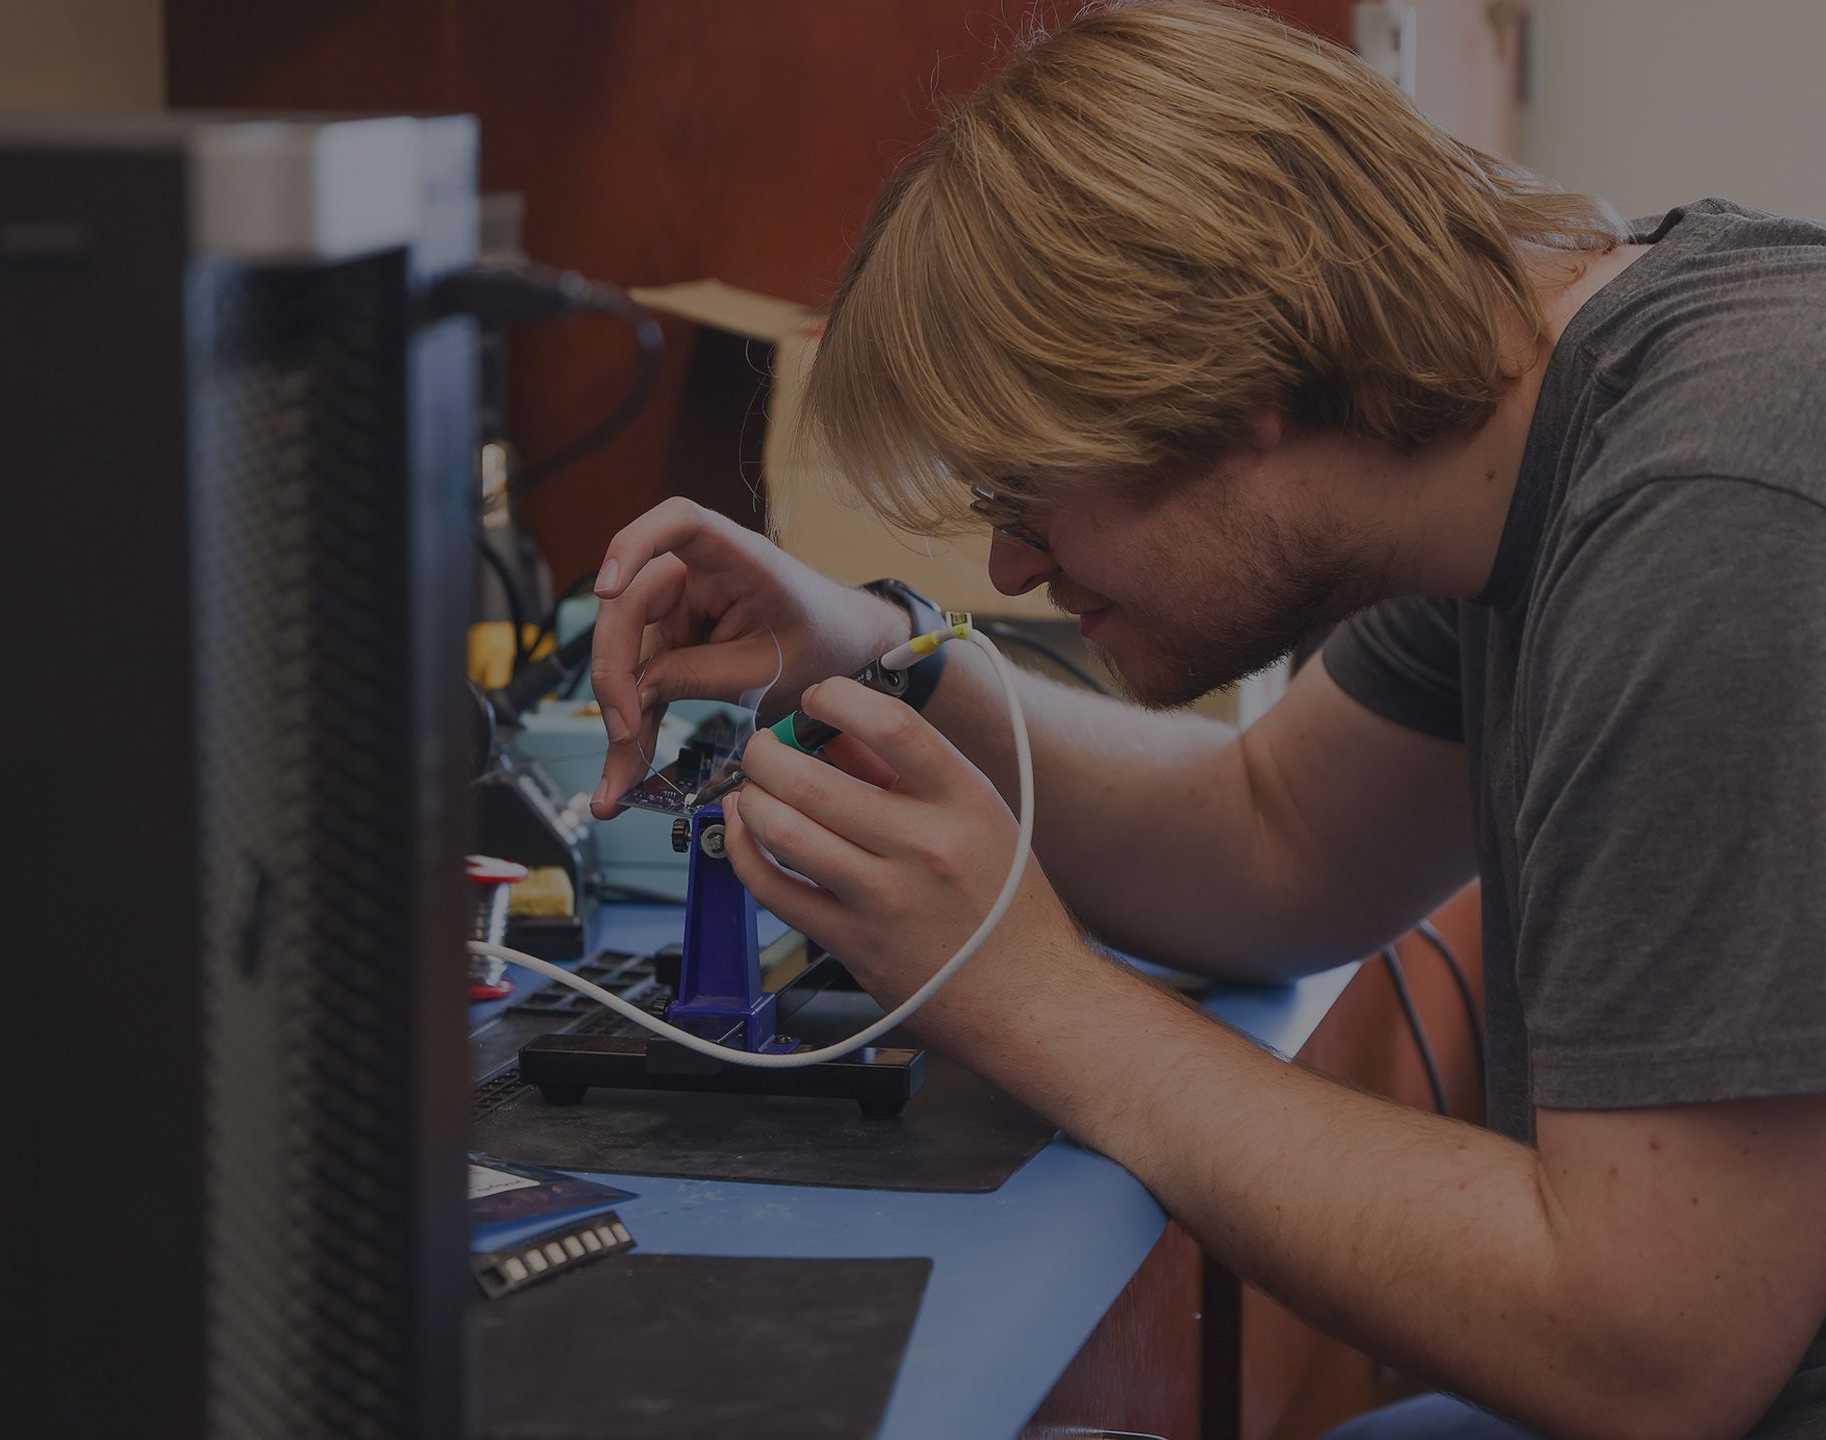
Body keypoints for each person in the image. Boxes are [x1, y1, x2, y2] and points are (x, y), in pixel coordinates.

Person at [582, 3, 1826, 1436]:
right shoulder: (1525, 450)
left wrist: (1038, 1001)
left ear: (1234, 385)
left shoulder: (1714, 518)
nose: (1009, 569)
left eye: (1024, 496)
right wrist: (873, 649)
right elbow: (1274, 845)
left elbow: (1650, 1351)